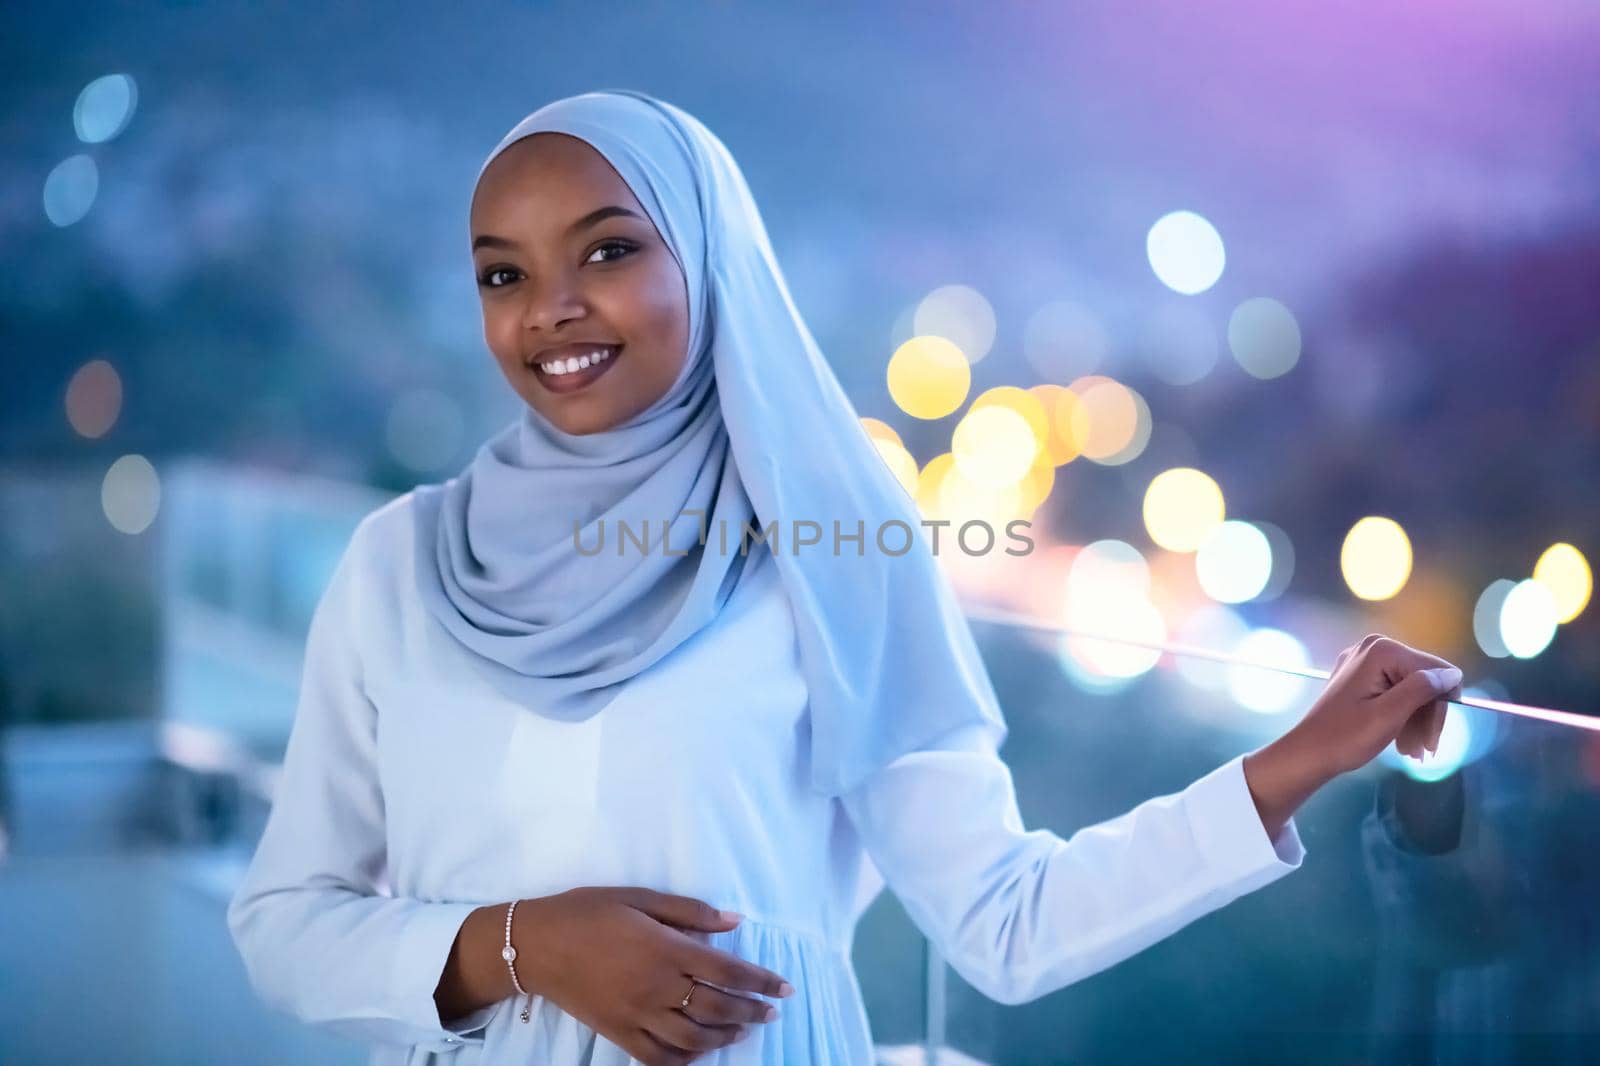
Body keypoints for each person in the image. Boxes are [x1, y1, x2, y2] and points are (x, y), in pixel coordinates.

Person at [225, 89, 1466, 1066]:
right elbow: (285, 924)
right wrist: (519, 947)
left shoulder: (830, 548)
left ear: (713, 265)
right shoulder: (401, 562)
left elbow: (1005, 920)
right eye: (503, 272)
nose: (549, 308)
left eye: (606, 251)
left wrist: (1295, 759)